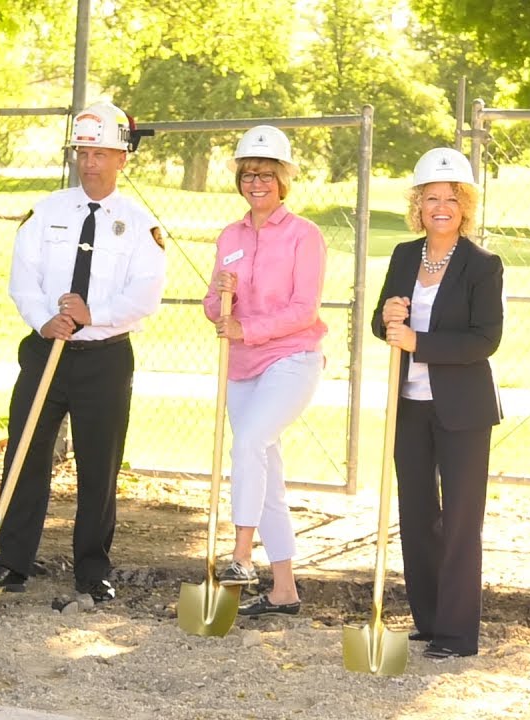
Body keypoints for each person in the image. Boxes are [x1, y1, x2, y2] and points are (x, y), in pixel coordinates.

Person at [0, 102, 166, 603]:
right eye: (83, 153)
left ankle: (92, 568)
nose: (90, 164)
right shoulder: (47, 212)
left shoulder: (138, 225)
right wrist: (46, 317)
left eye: (101, 154)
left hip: (103, 359)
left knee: (99, 465)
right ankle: (11, 561)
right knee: (25, 456)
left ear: (122, 159)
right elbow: (23, 276)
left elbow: (145, 295)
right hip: (46, 351)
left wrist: (94, 314)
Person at [371, 147, 503, 659]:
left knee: (461, 519)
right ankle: (428, 622)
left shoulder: (482, 264)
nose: (441, 206)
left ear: (464, 205)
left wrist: (419, 343)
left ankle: (456, 634)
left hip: (464, 411)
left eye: (451, 198)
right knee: (418, 513)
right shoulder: (405, 256)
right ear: (418, 205)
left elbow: (484, 339)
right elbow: (381, 326)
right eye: (431, 198)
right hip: (410, 406)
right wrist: (386, 317)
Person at [201, 125, 327, 616]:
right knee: (266, 473)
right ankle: (284, 590)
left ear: (284, 180)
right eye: (249, 174)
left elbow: (303, 309)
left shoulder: (304, 235)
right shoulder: (229, 237)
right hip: (243, 367)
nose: (257, 183)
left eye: (267, 174)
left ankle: (239, 555)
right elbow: (214, 306)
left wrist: (246, 329)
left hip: (293, 358)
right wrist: (221, 299)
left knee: (250, 442)